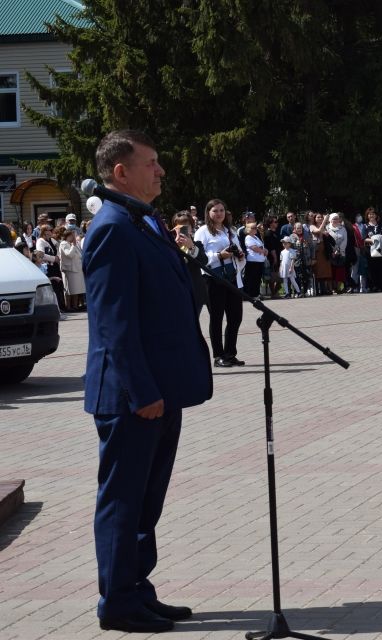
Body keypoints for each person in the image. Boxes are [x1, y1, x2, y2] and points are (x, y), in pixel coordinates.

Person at [83, 129, 212, 633]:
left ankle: (137, 588)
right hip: (134, 397)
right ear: (121, 171)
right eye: (152, 163)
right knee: (123, 500)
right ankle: (116, 601)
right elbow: (114, 323)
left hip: (160, 390)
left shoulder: (143, 222)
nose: (160, 171)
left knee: (145, 502)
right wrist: (143, 392)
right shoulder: (114, 226)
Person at [195, 199, 245, 368]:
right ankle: (218, 356)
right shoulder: (202, 231)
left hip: (232, 277)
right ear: (208, 213)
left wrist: (240, 255)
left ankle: (230, 353)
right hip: (213, 279)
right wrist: (219, 256)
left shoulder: (230, 230)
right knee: (216, 318)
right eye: (215, 211)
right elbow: (199, 257)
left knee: (235, 317)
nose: (219, 214)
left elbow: (238, 251)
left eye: (221, 210)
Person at [58, 227, 85, 311]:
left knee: (76, 289)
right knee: (69, 289)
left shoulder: (74, 243)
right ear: (67, 236)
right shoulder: (64, 243)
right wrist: (73, 245)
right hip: (70, 269)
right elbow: (69, 254)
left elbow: (80, 254)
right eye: (71, 236)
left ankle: (75, 306)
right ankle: (69, 307)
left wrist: (74, 244)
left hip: (77, 269)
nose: (73, 237)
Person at [242, 220, 267, 298]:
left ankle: (255, 294)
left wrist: (265, 250)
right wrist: (262, 251)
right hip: (252, 261)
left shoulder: (256, 237)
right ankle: (248, 295)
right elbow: (254, 248)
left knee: (257, 279)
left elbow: (261, 246)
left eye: (256, 227)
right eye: (253, 228)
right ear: (248, 229)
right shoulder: (248, 237)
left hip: (259, 261)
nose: (255, 229)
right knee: (251, 279)